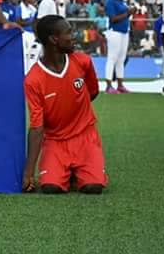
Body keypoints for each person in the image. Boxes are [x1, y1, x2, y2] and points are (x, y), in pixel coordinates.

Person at [22, 15, 106, 194]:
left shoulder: (83, 61)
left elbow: (93, 92)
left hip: (85, 135)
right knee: (51, 188)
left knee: (93, 188)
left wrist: (74, 111)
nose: (74, 36)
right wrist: (28, 173)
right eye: (68, 32)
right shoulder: (33, 79)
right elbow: (37, 127)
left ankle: (80, 170)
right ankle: (66, 170)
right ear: (54, 39)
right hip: (55, 140)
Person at [104, 0, 135, 94]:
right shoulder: (110, 1)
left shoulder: (121, 1)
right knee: (112, 58)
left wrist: (130, 12)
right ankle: (108, 85)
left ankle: (120, 85)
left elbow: (125, 15)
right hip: (115, 32)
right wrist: (128, 13)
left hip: (124, 32)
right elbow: (113, 19)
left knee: (121, 59)